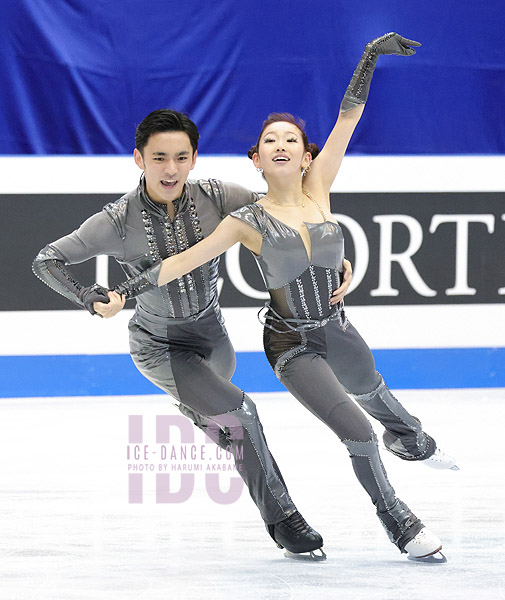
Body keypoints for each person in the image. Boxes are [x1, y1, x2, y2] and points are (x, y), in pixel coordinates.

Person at [112, 33, 458, 562]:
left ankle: (411, 439)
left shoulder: (320, 190)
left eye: (290, 139)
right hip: (292, 342)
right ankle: (399, 520)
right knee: (358, 430)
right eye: (269, 139)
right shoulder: (244, 220)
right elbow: (180, 261)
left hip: (337, 327)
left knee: (375, 393)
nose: (280, 144)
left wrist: (369, 56)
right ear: (256, 158)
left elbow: (348, 119)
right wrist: (121, 293)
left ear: (305, 155)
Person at [32, 108, 352, 560]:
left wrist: (332, 258)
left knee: (230, 426)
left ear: (195, 158)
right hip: (160, 345)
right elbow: (46, 259)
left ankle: (200, 410)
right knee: (243, 416)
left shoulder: (219, 196)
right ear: (139, 159)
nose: (171, 169)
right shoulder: (118, 220)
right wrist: (87, 296)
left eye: (181, 157)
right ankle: (284, 520)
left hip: (214, 339)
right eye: (159, 157)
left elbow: (288, 216)